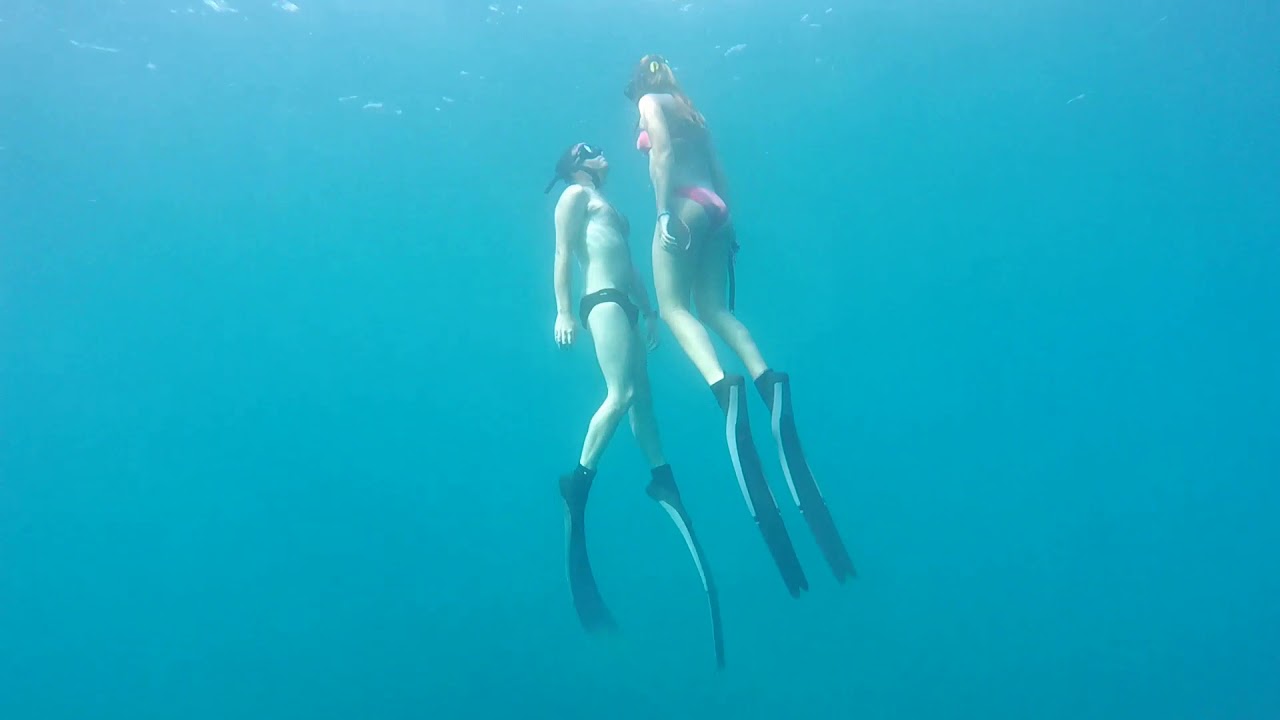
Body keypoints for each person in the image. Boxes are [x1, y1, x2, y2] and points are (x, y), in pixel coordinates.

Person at [623, 55, 857, 597]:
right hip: (716, 208)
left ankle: (723, 388)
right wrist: (729, 227)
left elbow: (659, 154)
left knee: (674, 306)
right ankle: (764, 379)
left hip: (681, 205)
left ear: (639, 86)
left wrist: (662, 213)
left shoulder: (650, 103)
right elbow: (720, 172)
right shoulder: (691, 109)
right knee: (717, 309)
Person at [544, 142, 724, 668]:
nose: (599, 153)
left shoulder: (610, 207)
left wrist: (648, 310)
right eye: (587, 150)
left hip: (624, 302)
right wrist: (563, 312)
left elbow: (629, 266)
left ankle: (660, 474)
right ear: (574, 164)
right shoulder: (574, 194)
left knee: (644, 403)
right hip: (598, 301)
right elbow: (562, 252)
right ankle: (577, 481)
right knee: (619, 395)